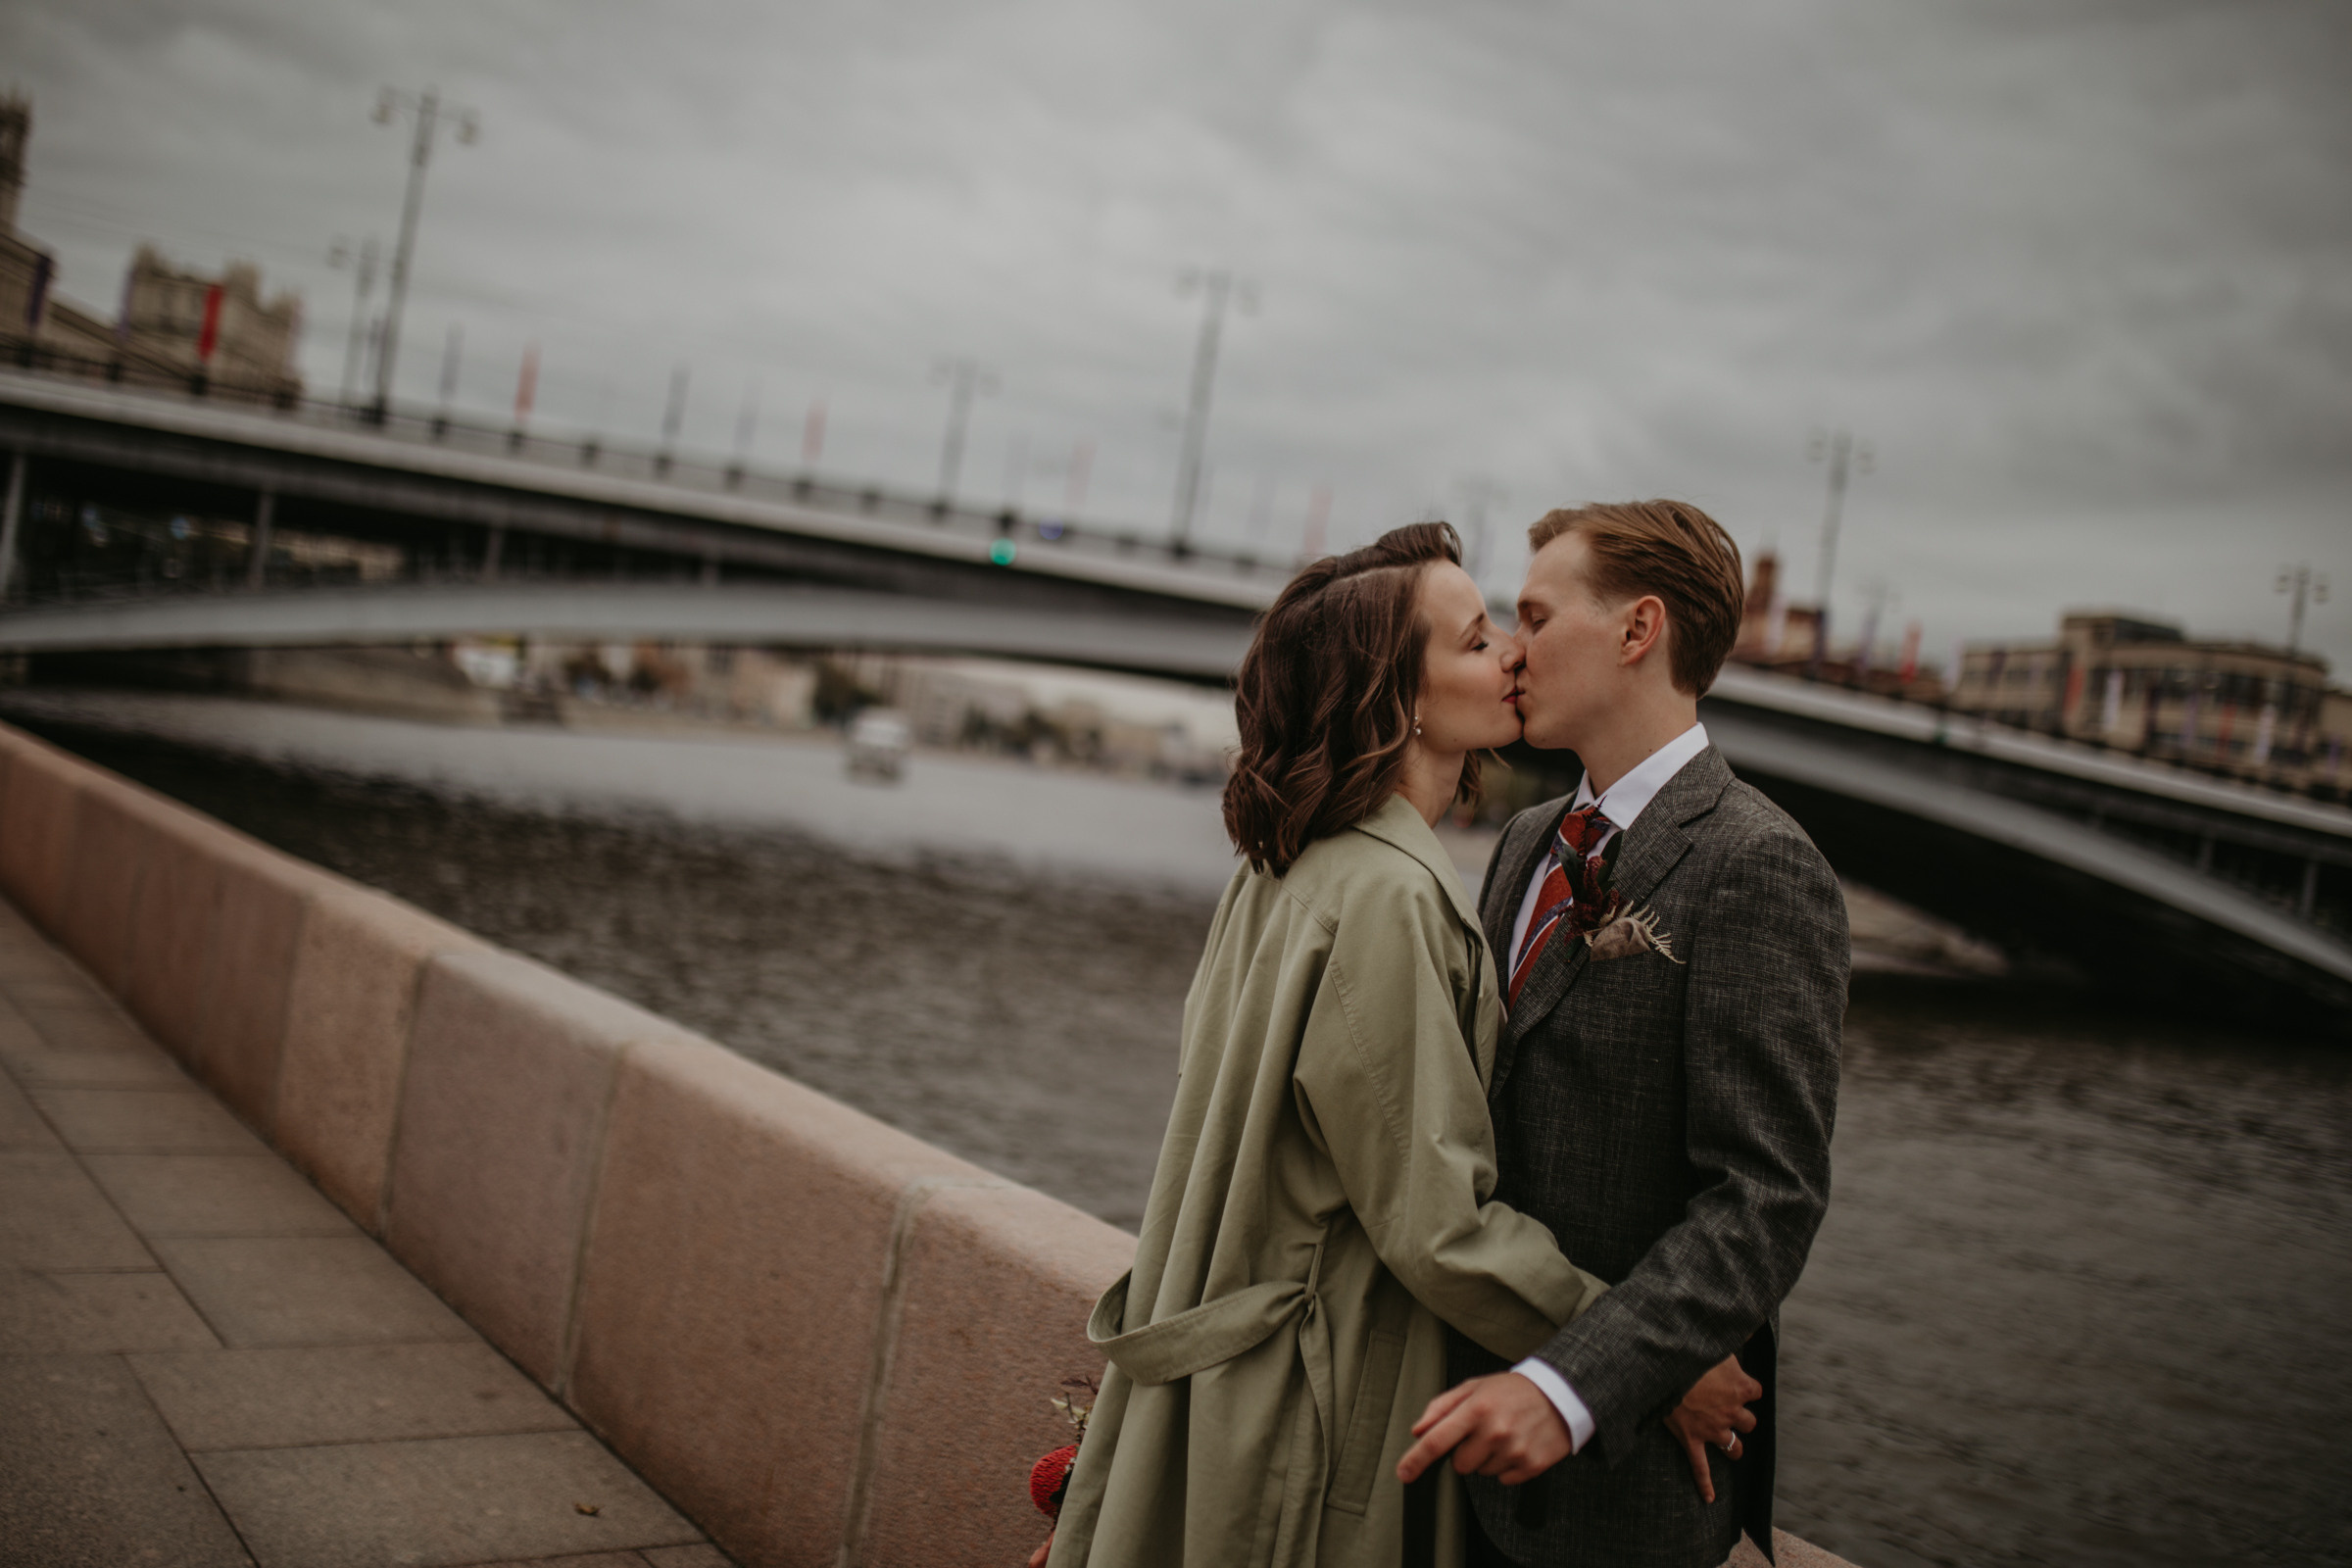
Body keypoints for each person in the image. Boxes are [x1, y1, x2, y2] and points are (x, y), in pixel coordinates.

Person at [1039, 522, 1634, 1568]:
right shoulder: (1390, 897)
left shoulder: (1283, 863)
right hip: (1310, 1413)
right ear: (1398, 697)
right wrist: (1631, 1344)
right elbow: (1436, 1223)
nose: (1511, 655)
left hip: (1222, 1385)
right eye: (1474, 639)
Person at [1396, 501, 1848, 1568]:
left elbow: (1764, 1198)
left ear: (1638, 630)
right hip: (1446, 1443)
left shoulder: (1759, 864)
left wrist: (1573, 1386)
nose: (1511, 647)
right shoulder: (1522, 843)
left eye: (1538, 616)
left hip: (1615, 1496)